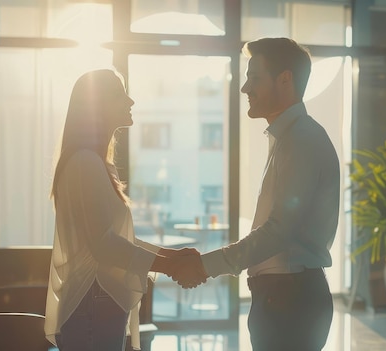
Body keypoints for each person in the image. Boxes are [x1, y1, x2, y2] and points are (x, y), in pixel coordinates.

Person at [44, 69, 207, 351]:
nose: (130, 101)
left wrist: (172, 255)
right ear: (97, 106)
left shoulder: (95, 162)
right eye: (119, 94)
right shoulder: (84, 162)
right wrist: (170, 266)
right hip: (93, 302)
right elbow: (105, 246)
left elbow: (116, 238)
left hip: (97, 302)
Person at [198, 37, 341, 351]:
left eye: (254, 78)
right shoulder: (289, 137)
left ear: (285, 79)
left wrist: (205, 266)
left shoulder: (301, 139)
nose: (245, 88)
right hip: (283, 297)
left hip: (290, 299)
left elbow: (278, 231)